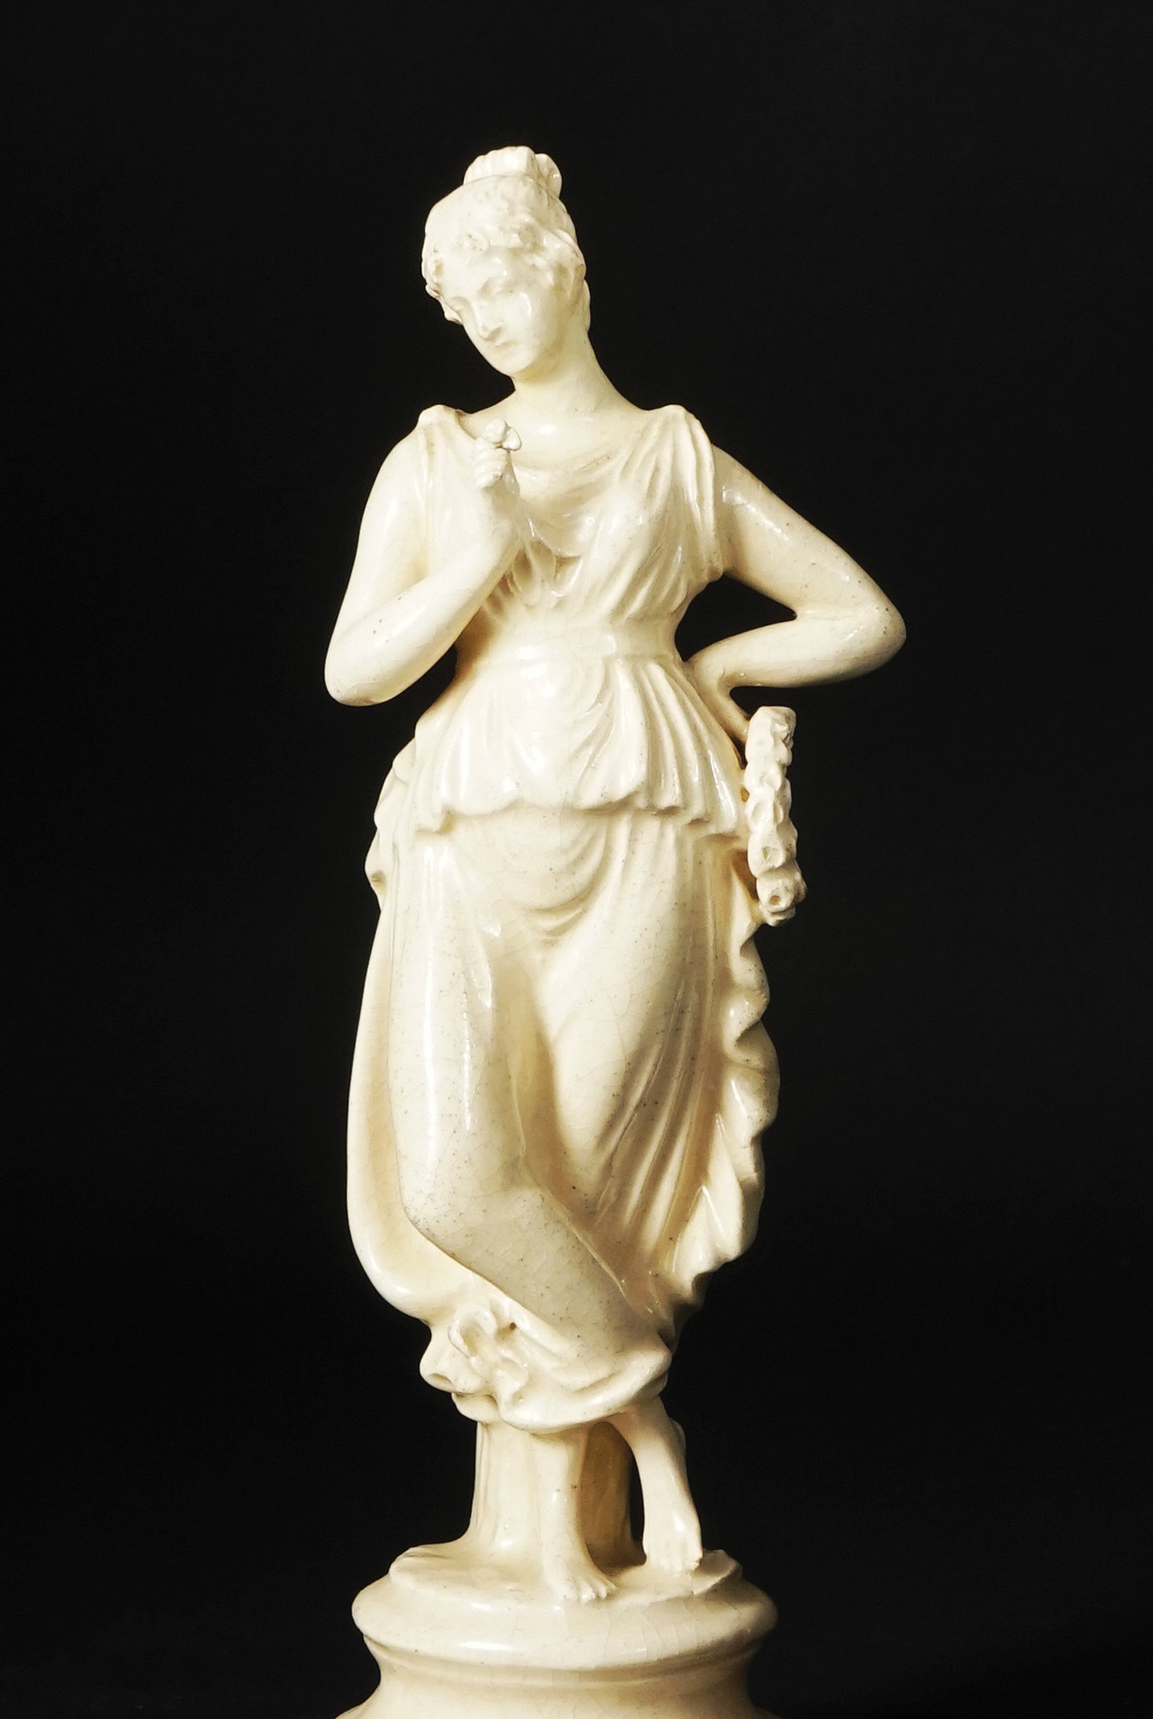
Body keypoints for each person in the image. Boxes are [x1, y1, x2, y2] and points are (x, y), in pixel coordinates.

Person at [327, 147, 904, 1600]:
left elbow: (857, 612)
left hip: (646, 824)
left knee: (591, 1189)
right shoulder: (439, 462)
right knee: (463, 1178)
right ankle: (648, 1430)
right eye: (459, 302)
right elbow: (356, 669)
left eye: (501, 281)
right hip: (472, 826)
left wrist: (715, 665)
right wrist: (475, 559)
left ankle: (547, 1539)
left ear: (568, 269)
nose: (484, 319)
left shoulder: (676, 460)